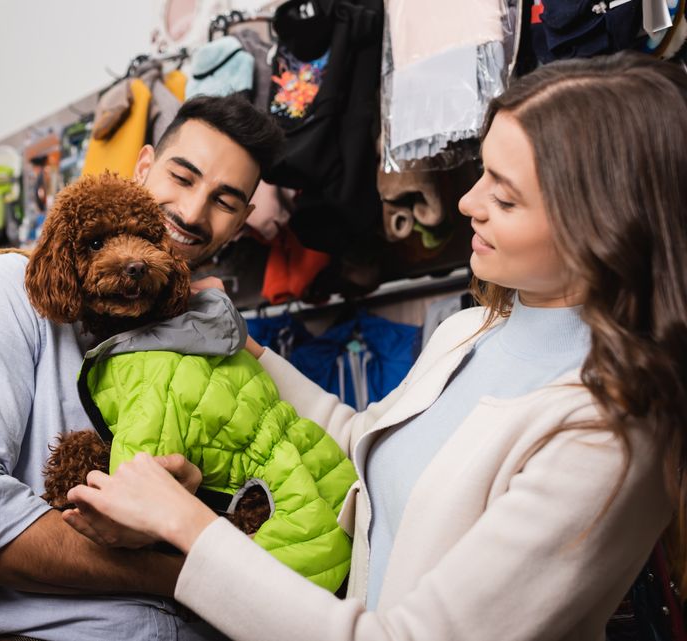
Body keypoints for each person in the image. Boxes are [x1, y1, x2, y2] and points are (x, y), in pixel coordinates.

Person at [64, 52, 687, 641]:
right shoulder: (470, 329)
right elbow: (367, 446)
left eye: (504, 194)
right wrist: (243, 348)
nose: (467, 203)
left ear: (601, 224)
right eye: (480, 178)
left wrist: (187, 525)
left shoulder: (607, 434)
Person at [0, 95, 283, 641]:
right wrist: (188, 573)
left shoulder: (217, 343)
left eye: (224, 201)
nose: (193, 213)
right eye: (182, 177)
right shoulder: (12, 290)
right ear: (145, 166)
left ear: (243, 221)